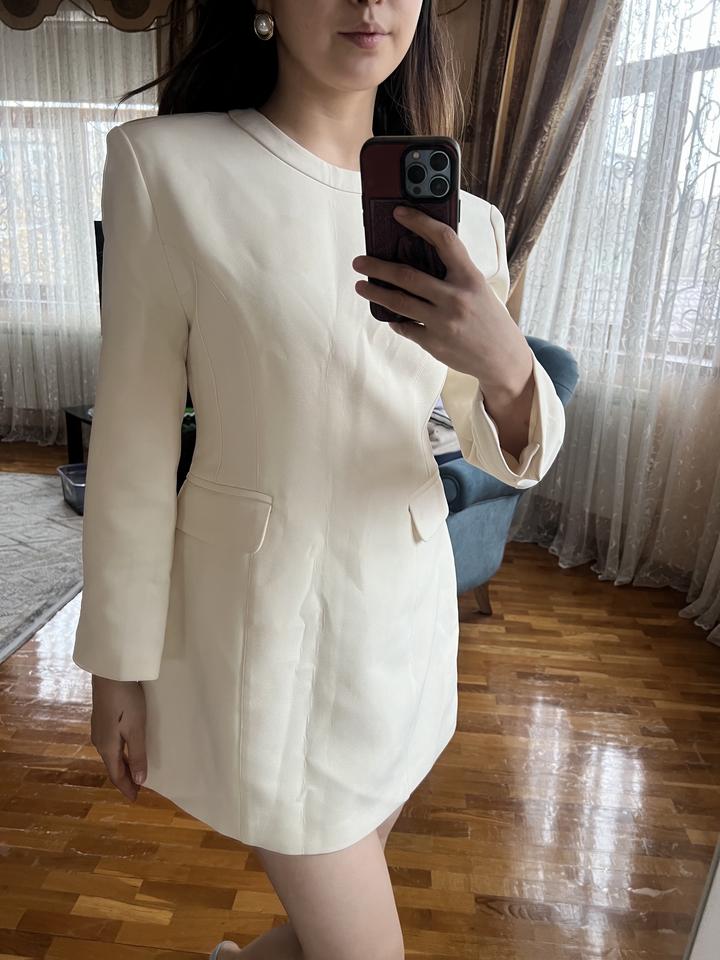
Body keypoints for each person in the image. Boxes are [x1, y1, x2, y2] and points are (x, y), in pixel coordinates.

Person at [72, 2, 566, 958]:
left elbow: (506, 444)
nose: (368, 3)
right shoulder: (167, 167)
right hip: (264, 637)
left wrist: (508, 364)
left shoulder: (472, 222)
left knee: (316, 937)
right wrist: (117, 666)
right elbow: (133, 437)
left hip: (404, 632)